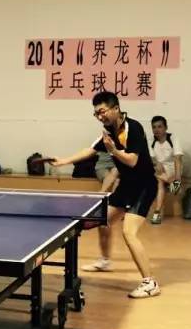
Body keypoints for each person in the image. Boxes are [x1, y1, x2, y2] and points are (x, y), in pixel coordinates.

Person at [48, 91, 160, 298]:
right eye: (96, 114)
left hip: (144, 186)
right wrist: (64, 161)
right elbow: (90, 150)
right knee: (103, 221)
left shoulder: (133, 128)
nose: (100, 116)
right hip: (127, 185)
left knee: (129, 232)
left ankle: (150, 283)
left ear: (116, 108)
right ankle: (105, 261)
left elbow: (133, 161)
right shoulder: (108, 131)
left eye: (102, 111)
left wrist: (113, 151)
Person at [149, 116, 184, 224]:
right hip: (159, 171)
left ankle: (174, 184)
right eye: (154, 127)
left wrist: (178, 178)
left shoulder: (173, 138)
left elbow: (178, 159)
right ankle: (157, 212)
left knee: (162, 181)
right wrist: (156, 163)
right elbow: (152, 159)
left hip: (173, 169)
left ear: (166, 127)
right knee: (159, 181)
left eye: (159, 127)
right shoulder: (151, 141)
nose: (156, 130)